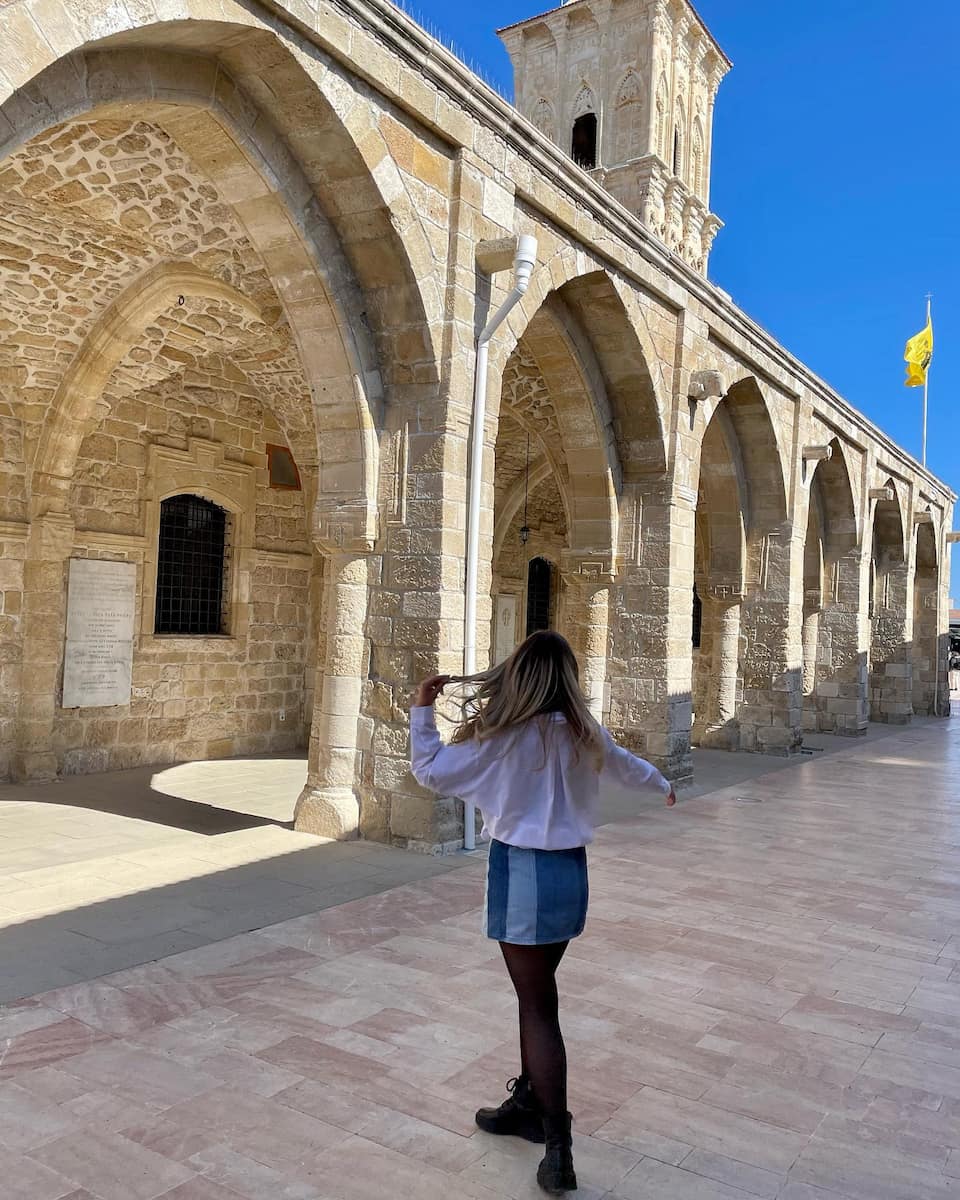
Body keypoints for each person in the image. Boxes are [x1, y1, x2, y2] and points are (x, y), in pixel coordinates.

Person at [409, 631, 677, 1196]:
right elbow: (629, 768)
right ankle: (528, 1101)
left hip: (524, 872)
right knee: (540, 995)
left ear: (519, 676)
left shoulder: (501, 740)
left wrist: (422, 710)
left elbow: (431, 771)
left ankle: (558, 1147)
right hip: (570, 876)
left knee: (537, 1008)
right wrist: (664, 785)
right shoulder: (583, 734)